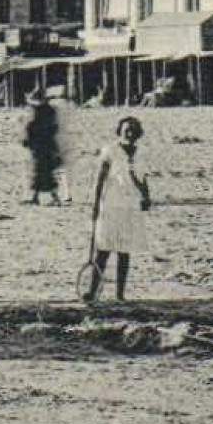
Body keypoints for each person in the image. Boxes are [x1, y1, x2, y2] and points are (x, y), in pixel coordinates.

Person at [84, 116, 151, 303]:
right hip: (111, 205)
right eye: (126, 129)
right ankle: (92, 292)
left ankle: (120, 294)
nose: (129, 133)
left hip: (130, 207)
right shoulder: (110, 151)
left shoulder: (141, 153)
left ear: (138, 133)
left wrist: (147, 197)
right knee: (103, 251)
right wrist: (95, 205)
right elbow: (99, 180)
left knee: (124, 252)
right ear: (120, 131)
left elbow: (142, 179)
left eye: (133, 130)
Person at [22, 88, 66, 205]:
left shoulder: (39, 112)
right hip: (48, 145)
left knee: (41, 171)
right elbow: (55, 128)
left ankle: (52, 198)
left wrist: (28, 140)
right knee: (43, 172)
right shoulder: (50, 111)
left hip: (40, 145)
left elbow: (31, 127)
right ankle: (40, 197)